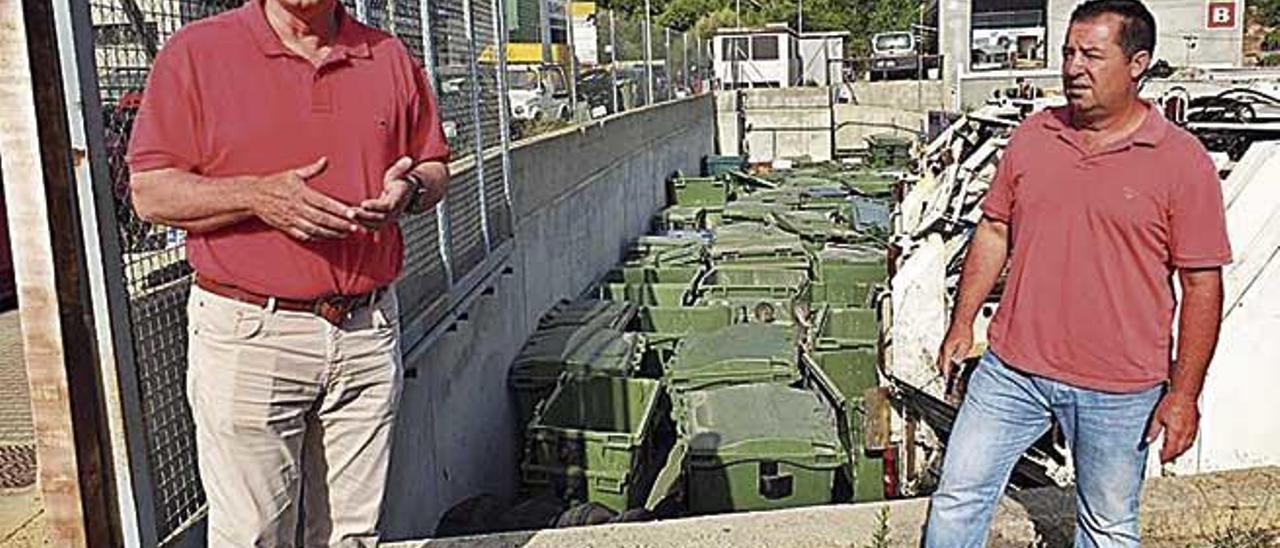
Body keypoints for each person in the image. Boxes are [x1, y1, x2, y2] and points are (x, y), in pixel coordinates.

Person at [126, 0, 450, 544]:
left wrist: (412, 190)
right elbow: (150, 192)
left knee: (353, 534)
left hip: (366, 331)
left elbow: (435, 164)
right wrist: (256, 196)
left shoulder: (388, 56)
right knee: (255, 534)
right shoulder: (198, 53)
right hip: (252, 334)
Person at [925, 1, 1231, 546]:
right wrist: (961, 323)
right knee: (956, 498)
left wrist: (1184, 394)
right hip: (1012, 370)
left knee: (1108, 527)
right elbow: (995, 231)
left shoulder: (1182, 162)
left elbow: (1202, 284)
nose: (1072, 67)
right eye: (1068, 53)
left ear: (1138, 64)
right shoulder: (1033, 135)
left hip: (1120, 388)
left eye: (1091, 55)